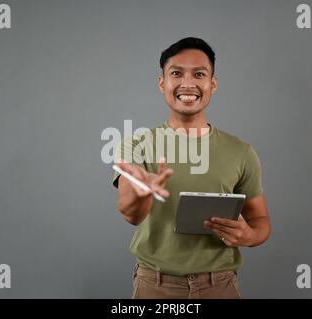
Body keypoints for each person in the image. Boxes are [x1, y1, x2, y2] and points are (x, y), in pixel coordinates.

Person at [112, 37, 271, 299]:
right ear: (162, 83)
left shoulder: (241, 151)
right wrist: (143, 192)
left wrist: (249, 235)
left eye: (199, 74)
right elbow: (130, 215)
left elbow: (261, 221)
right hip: (155, 285)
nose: (188, 83)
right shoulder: (136, 144)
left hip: (219, 285)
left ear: (213, 83)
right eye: (176, 73)